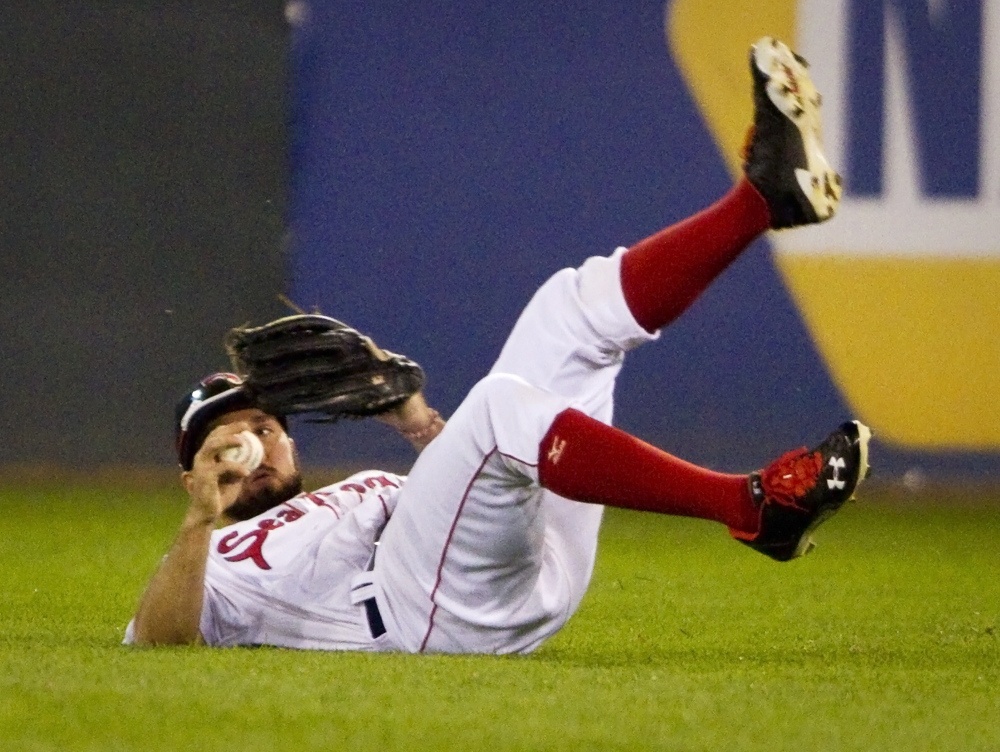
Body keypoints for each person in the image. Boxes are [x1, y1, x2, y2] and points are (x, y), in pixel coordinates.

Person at [125, 38, 870, 653]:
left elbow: (478, 495)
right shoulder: (211, 562)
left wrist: (418, 427)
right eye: (223, 442)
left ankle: (763, 199)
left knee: (567, 310)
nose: (251, 445)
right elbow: (155, 644)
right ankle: (749, 506)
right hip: (419, 621)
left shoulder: (354, 492)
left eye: (261, 426)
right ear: (192, 471)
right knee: (499, 407)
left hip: (501, 577)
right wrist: (198, 522)